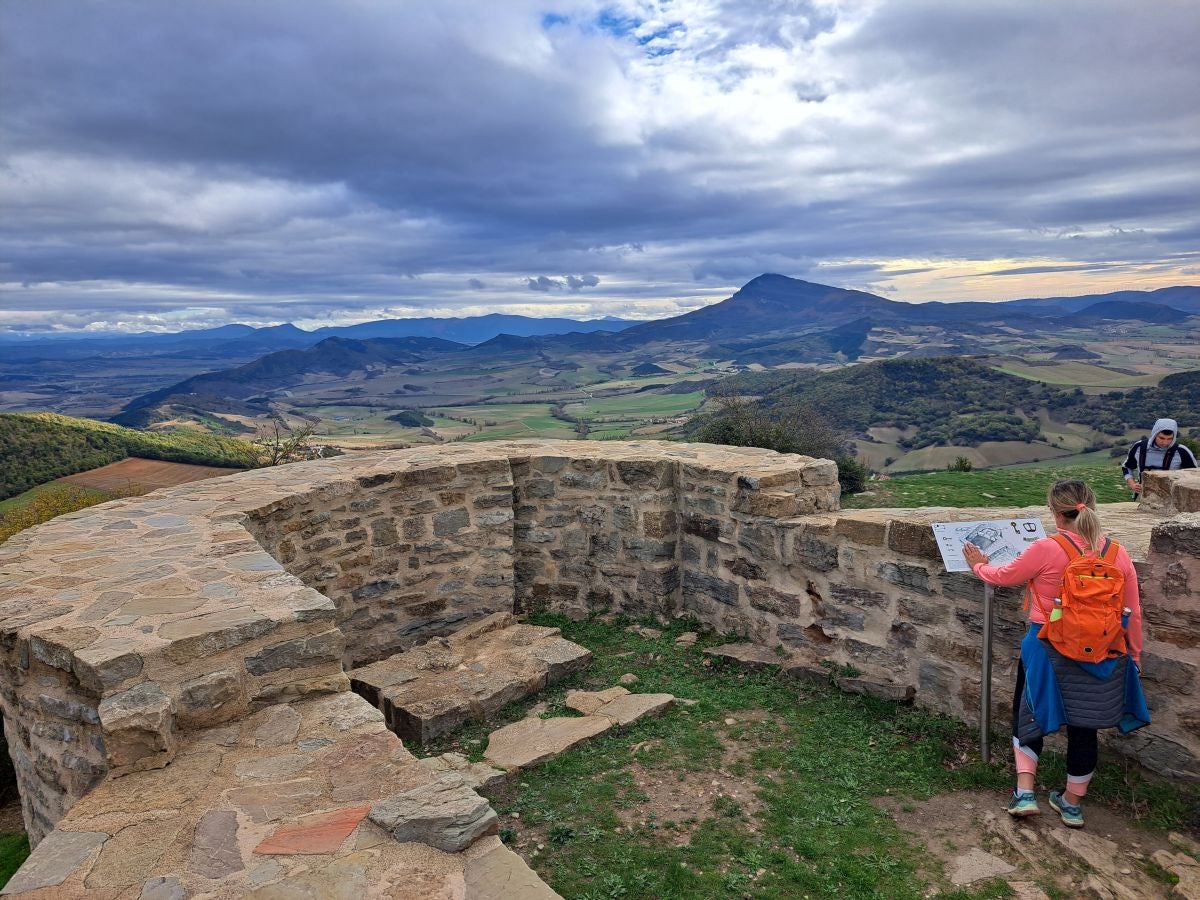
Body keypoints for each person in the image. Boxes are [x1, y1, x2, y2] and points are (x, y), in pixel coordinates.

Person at [962, 479, 1146, 829]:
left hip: (1045, 645)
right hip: (1102, 653)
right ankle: (1072, 804)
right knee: (1085, 725)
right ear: (1091, 507)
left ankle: (1025, 793)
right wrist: (1133, 657)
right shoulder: (1117, 553)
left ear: (1055, 513)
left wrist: (978, 566)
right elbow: (1132, 612)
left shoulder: (1048, 548)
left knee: (1029, 712)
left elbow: (1004, 575)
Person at [1122, 418, 1197, 495]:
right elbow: (1127, 467)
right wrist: (1132, 484)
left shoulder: (1182, 451)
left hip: (1172, 499)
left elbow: (1193, 476)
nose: (1165, 442)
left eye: (1169, 439)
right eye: (1161, 438)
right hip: (1143, 496)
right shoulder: (1139, 447)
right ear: (1154, 434)